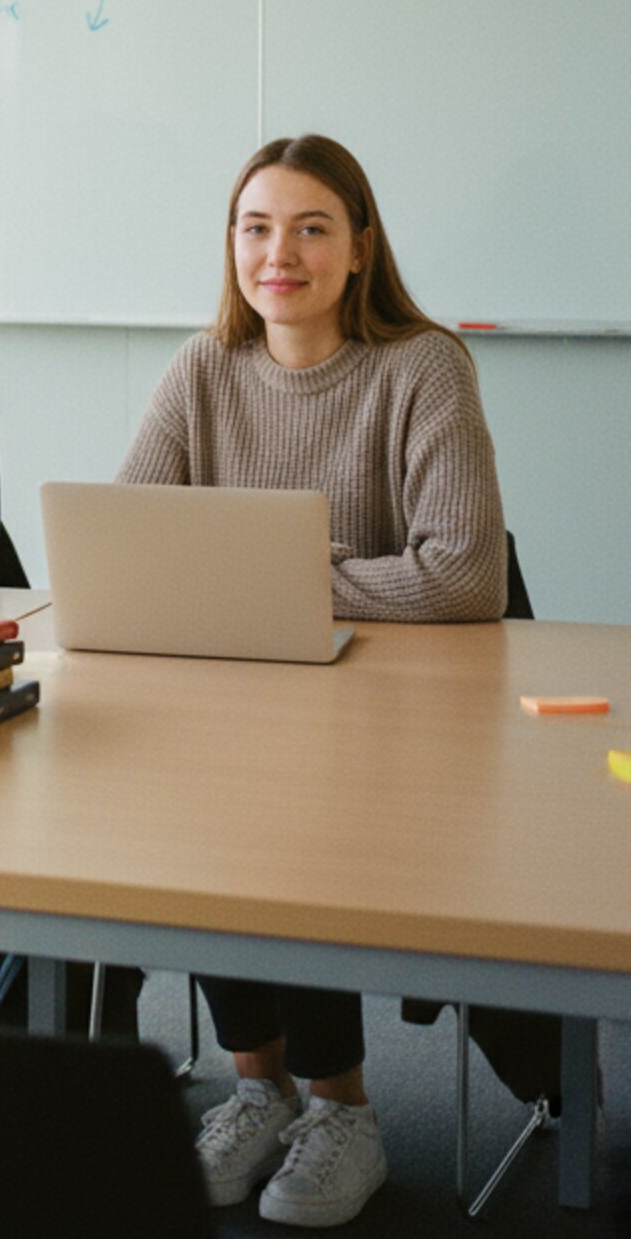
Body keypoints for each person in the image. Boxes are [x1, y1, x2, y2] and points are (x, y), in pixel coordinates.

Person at [120, 132, 506, 1228]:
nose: (275, 251)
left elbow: (462, 575)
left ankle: (344, 1107)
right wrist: (316, 572)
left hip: (390, 714)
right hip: (239, 707)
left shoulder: (419, 364)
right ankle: (258, 1086)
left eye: (308, 226)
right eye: (254, 226)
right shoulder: (202, 367)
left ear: (357, 246)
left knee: (289, 806)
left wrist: (283, 570)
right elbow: (129, 540)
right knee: (200, 794)